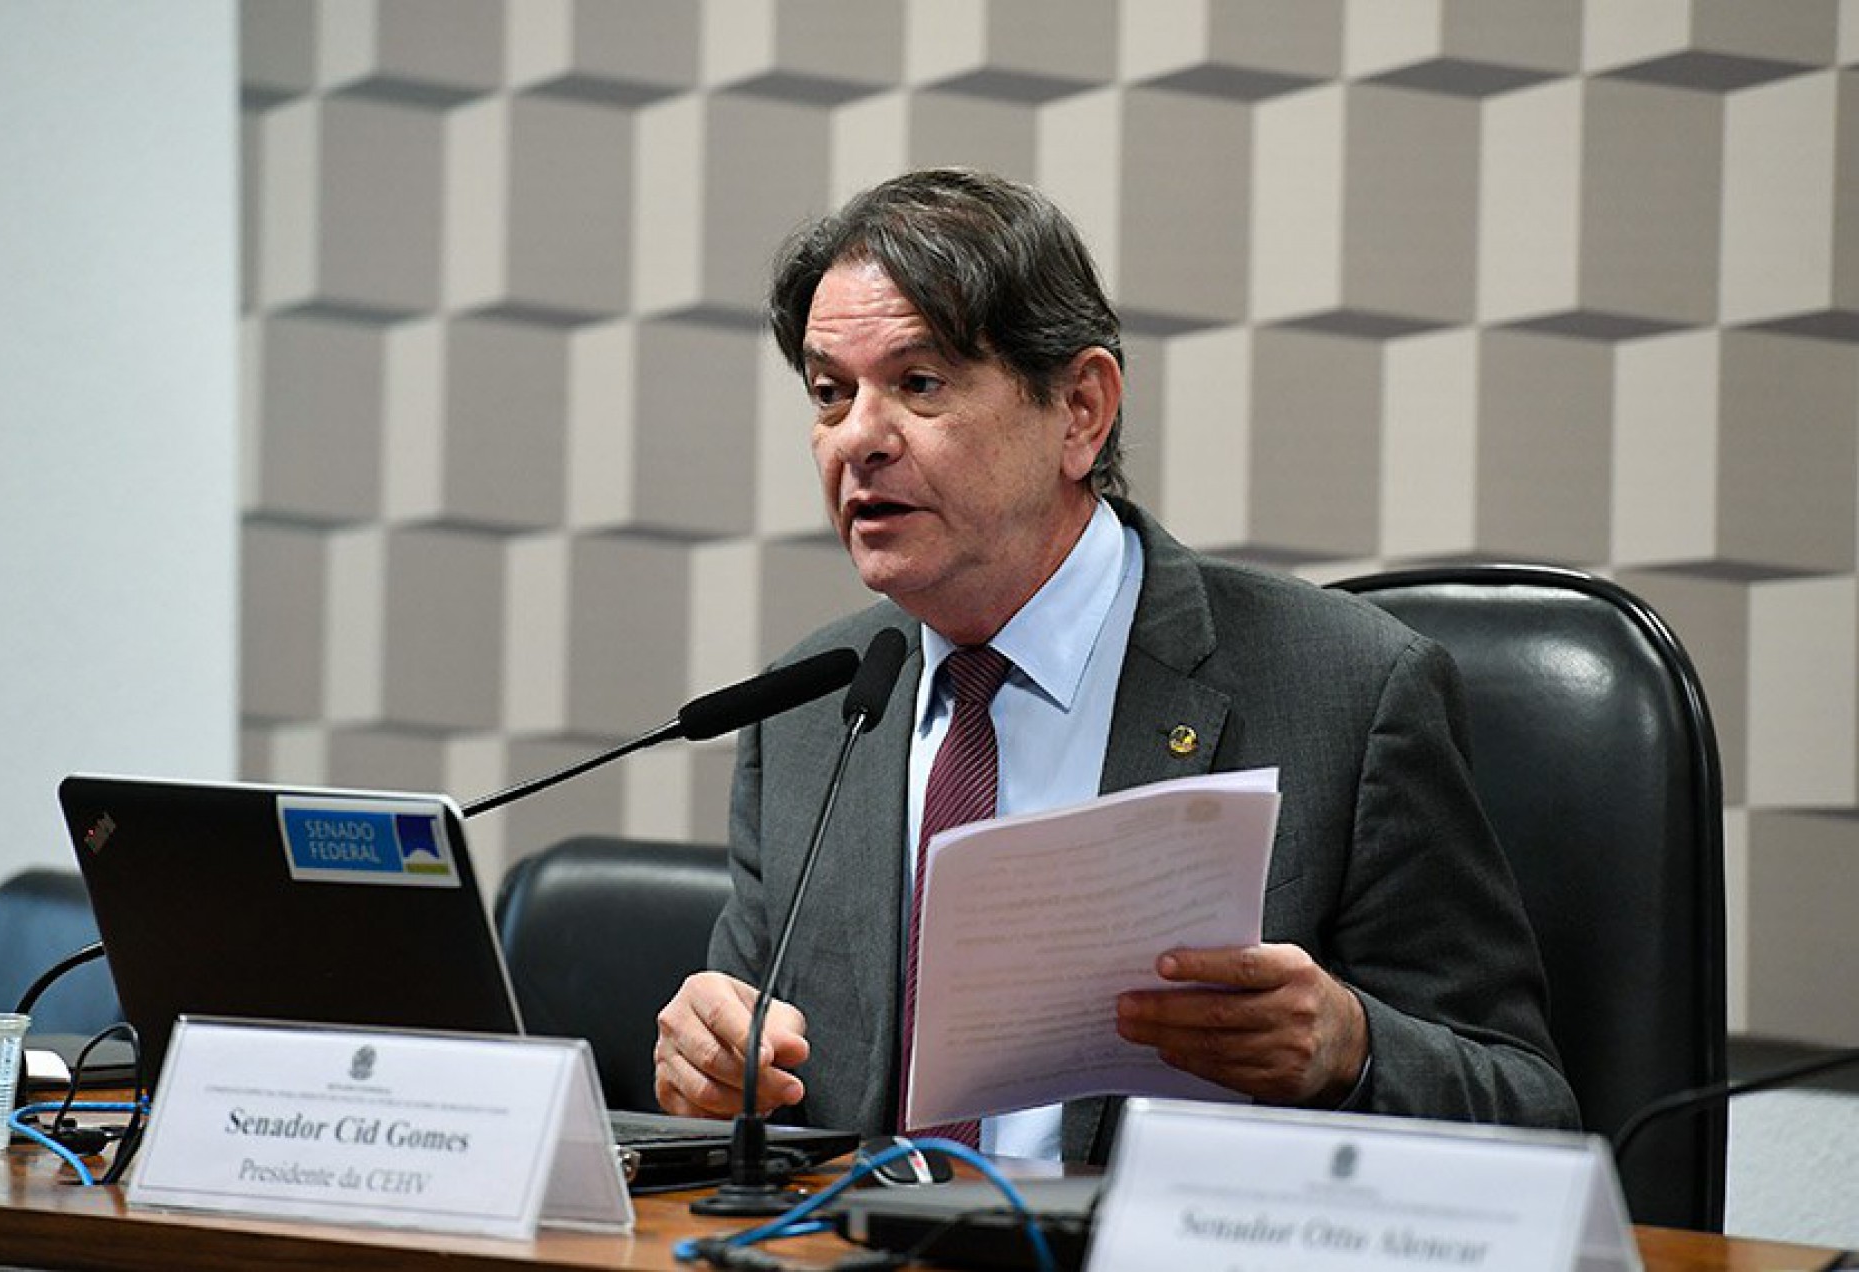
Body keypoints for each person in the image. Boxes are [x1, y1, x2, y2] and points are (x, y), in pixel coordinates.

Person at [654, 168, 1577, 1161]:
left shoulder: (1348, 691)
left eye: (919, 384)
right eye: (831, 394)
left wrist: (1350, 1051)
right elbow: (754, 1091)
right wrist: (709, 1072)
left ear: (1081, 411)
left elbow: (1530, 1111)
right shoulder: (811, 711)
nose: (858, 441)